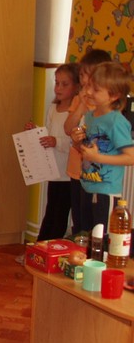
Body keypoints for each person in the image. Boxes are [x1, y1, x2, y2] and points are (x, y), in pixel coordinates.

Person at [69, 62, 134, 232]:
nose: (89, 92)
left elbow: (131, 157)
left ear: (114, 96)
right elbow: (88, 151)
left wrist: (97, 158)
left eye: (96, 89)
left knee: (102, 238)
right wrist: (77, 142)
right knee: (85, 234)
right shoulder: (91, 116)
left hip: (106, 190)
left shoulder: (116, 121)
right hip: (87, 185)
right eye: (89, 85)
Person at [23, 63, 81, 240]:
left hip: (67, 174)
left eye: (65, 84)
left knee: (59, 215)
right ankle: (42, 245)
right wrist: (35, 132)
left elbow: (75, 141)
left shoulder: (77, 113)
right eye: (57, 83)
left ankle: (49, 246)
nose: (58, 88)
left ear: (76, 86)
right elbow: (48, 134)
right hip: (53, 171)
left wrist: (56, 142)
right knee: (51, 210)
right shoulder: (53, 109)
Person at [62, 49, 113, 234]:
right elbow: (68, 128)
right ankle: (80, 247)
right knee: (79, 220)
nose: (84, 80)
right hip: (77, 170)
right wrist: (82, 105)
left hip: (96, 174)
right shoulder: (79, 99)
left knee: (96, 223)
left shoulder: (106, 106)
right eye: (82, 74)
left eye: (88, 75)